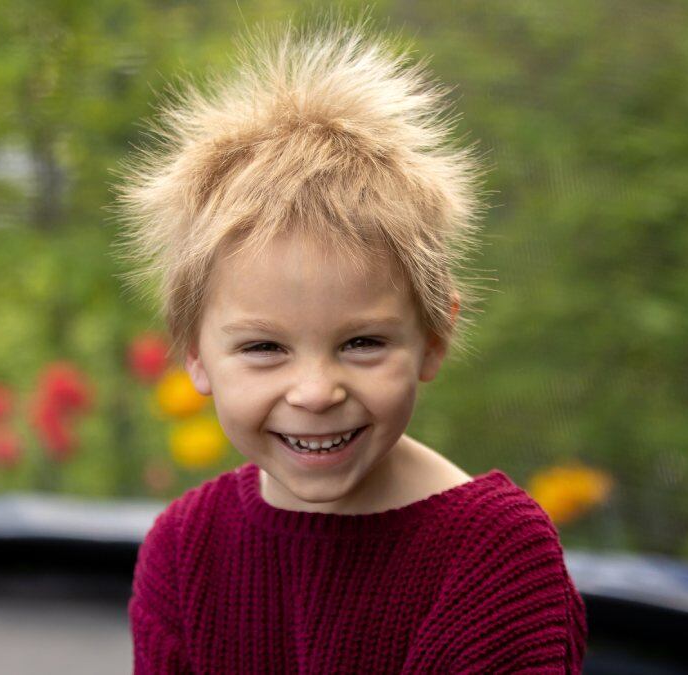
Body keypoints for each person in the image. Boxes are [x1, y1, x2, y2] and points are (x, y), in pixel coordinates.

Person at [115, 16, 587, 674]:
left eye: (361, 341)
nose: (315, 391)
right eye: (264, 348)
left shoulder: (491, 559)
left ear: (432, 336)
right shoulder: (186, 549)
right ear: (195, 353)